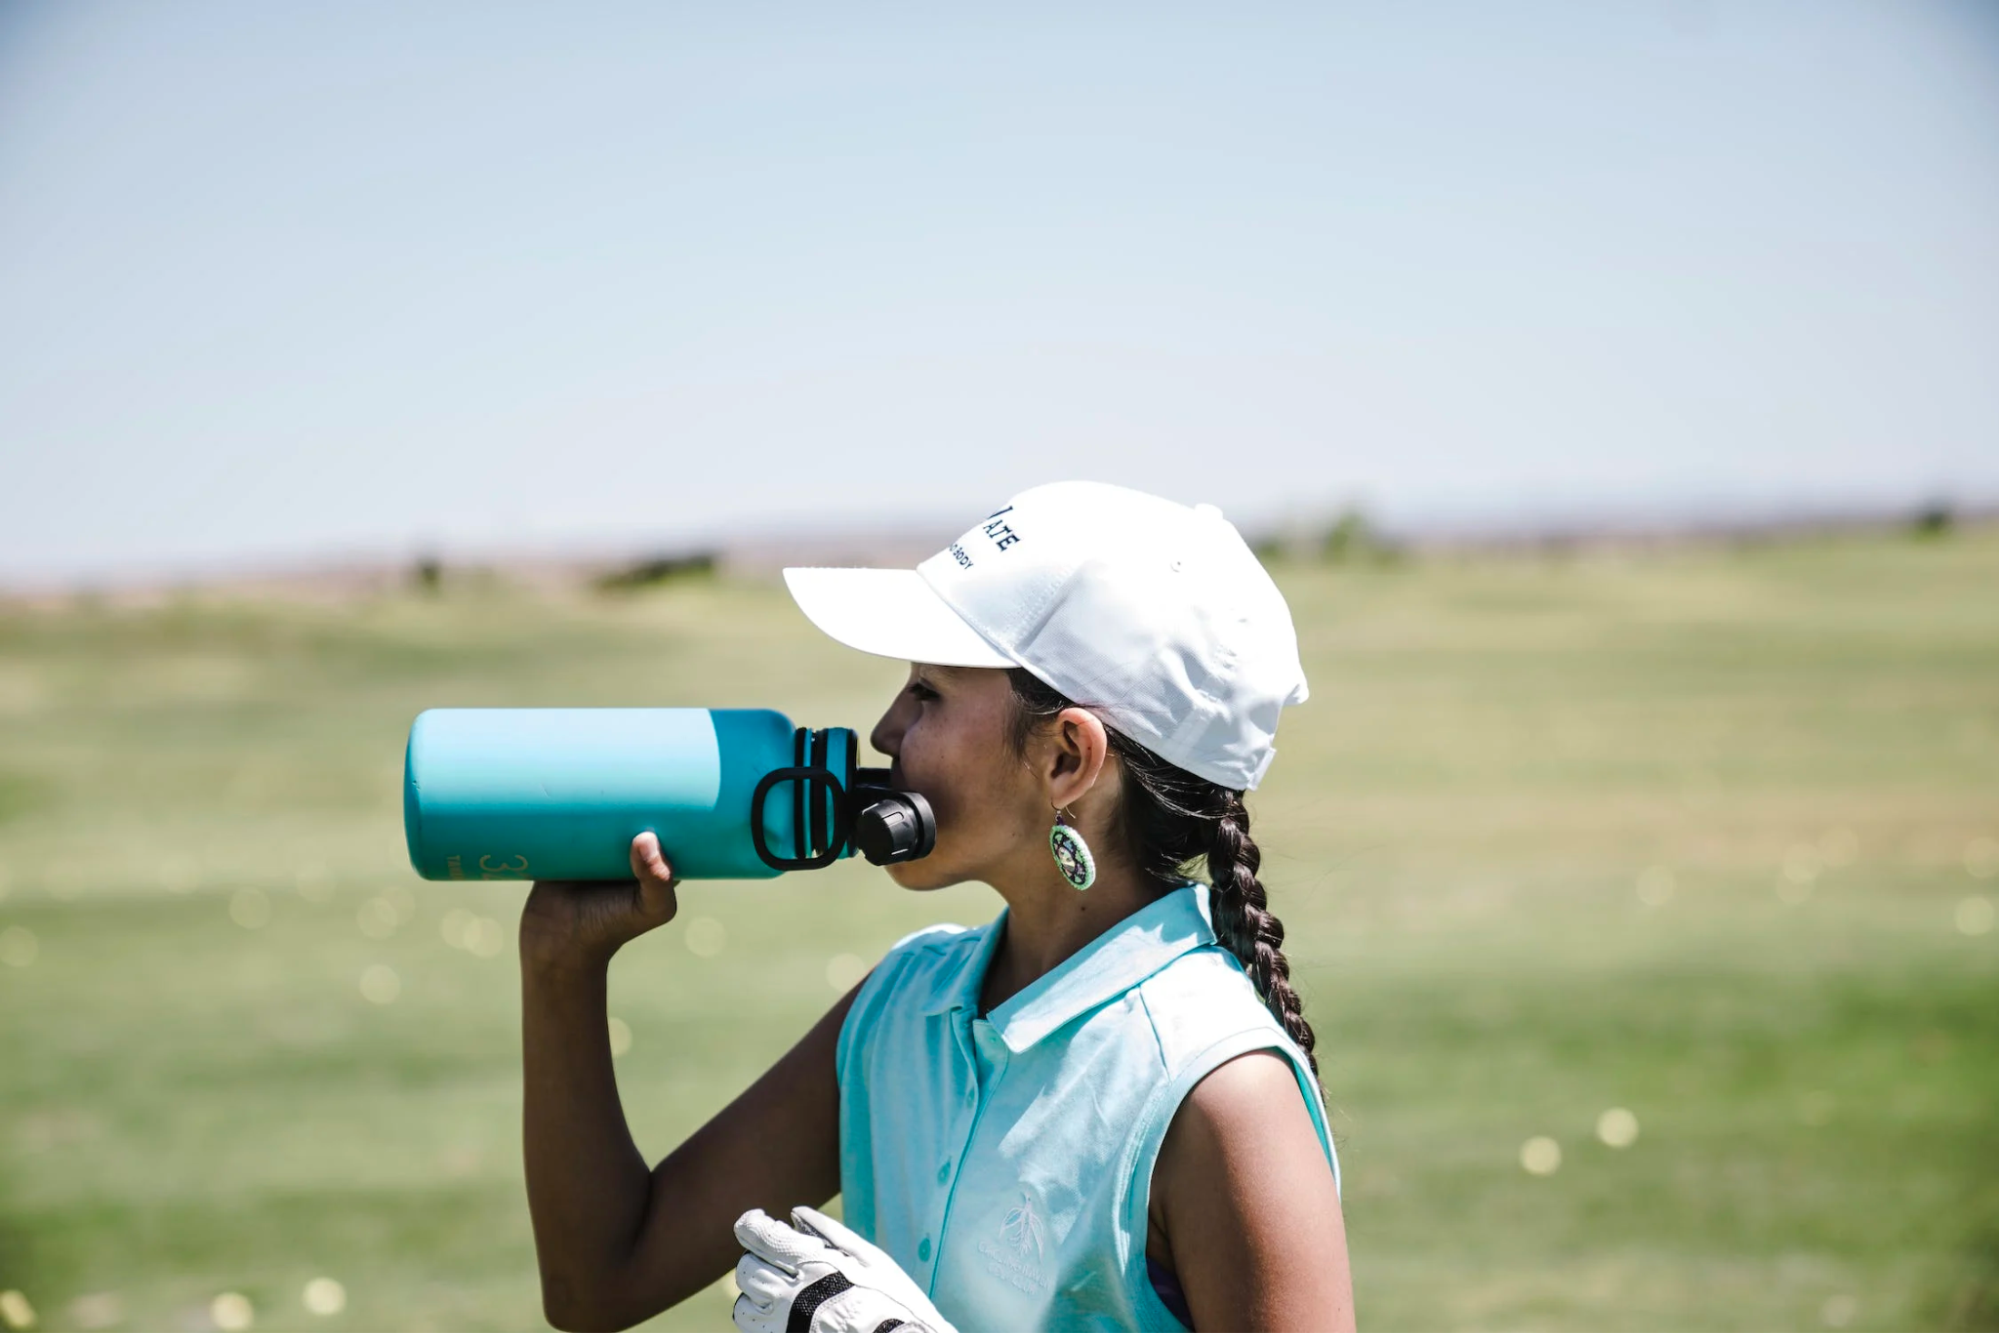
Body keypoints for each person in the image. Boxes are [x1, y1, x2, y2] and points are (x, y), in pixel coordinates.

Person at [519, 481, 1354, 1333]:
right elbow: (600, 1281)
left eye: (928, 692)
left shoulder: (1223, 1091)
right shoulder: (900, 1008)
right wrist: (561, 965)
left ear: (1067, 757)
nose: (883, 729)